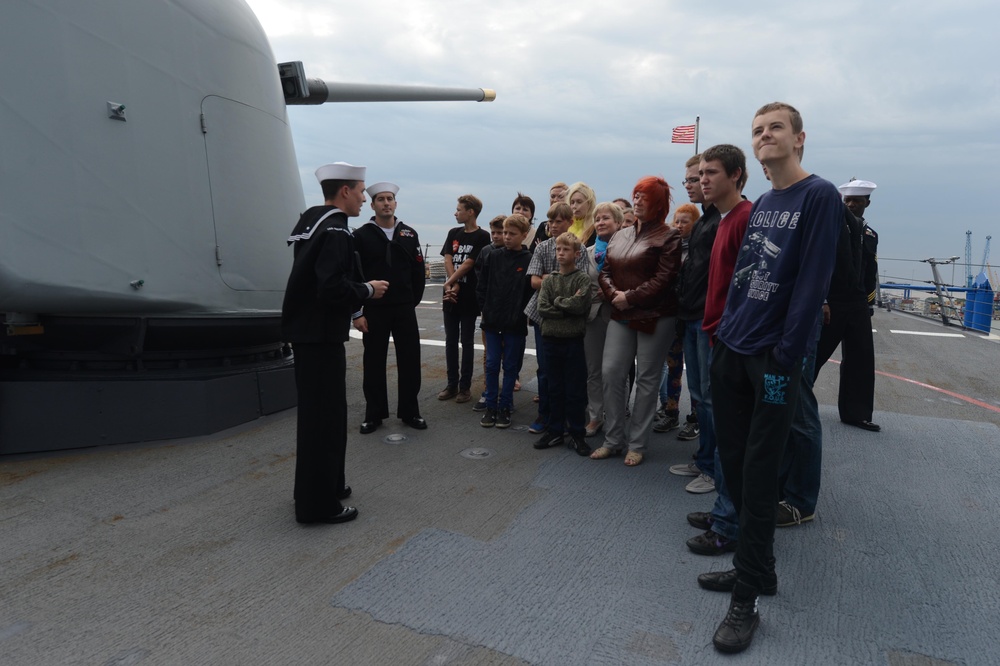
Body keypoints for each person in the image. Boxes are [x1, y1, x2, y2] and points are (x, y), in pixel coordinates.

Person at [703, 103, 841, 654]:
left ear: (799, 138)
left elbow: (812, 281)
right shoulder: (763, 205)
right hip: (732, 350)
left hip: (774, 363)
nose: (764, 137)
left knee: (760, 475)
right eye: (757, 130)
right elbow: (748, 272)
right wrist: (723, 336)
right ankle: (757, 569)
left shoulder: (819, 196)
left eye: (774, 128)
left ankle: (747, 598)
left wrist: (786, 355)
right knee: (732, 468)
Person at [282, 162, 389, 525]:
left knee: (319, 417)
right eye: (360, 191)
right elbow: (330, 287)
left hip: (308, 334)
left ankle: (324, 485)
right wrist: (367, 290)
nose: (364, 198)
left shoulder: (313, 223)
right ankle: (317, 505)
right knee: (325, 419)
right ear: (345, 191)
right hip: (322, 336)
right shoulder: (336, 231)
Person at [684, 145, 752, 551]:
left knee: (733, 436)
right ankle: (723, 509)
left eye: (712, 173)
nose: (703, 179)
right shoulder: (723, 219)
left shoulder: (743, 219)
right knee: (727, 434)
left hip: (728, 340)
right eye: (701, 172)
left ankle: (728, 524)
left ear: (737, 175)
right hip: (715, 333)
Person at [590, 176, 681, 467]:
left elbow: (664, 279)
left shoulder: (669, 236)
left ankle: (637, 443)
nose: (638, 200)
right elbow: (604, 269)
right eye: (636, 195)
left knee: (647, 379)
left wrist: (629, 297)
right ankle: (614, 439)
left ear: (658, 203)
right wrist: (615, 294)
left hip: (655, 315)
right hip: (621, 311)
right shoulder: (621, 234)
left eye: (645, 196)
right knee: (611, 372)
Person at [352, 181, 427, 435]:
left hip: (404, 308)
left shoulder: (409, 234)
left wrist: (411, 300)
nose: (386, 203)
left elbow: (418, 271)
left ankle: (410, 411)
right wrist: (358, 311)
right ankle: (374, 414)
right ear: (372, 205)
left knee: (410, 360)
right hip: (374, 309)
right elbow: (354, 275)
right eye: (381, 199)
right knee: (373, 362)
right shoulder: (360, 236)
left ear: (395, 204)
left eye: (390, 199)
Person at [814, 179, 881, 432]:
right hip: (833, 300)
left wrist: (869, 303)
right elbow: (820, 264)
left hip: (858, 304)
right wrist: (822, 299)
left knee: (860, 360)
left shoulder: (870, 235)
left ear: (867, 203)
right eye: (848, 201)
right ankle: (793, 405)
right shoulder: (832, 228)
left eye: (857, 201)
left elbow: (870, 271)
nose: (852, 205)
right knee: (814, 356)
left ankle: (857, 413)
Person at [525, 203, 589, 434]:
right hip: (544, 317)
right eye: (550, 221)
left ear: (570, 222)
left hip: (568, 321)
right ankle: (546, 414)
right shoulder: (543, 248)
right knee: (545, 370)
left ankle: (571, 420)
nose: (552, 226)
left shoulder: (577, 247)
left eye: (558, 221)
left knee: (571, 374)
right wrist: (564, 289)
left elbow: (580, 285)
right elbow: (533, 282)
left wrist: (550, 285)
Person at [535, 232, 593, 456]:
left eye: (566, 250)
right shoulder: (549, 280)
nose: (560, 253)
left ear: (577, 254)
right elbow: (542, 309)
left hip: (573, 342)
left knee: (575, 390)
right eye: (558, 249)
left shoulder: (582, 280)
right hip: (551, 341)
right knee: (554, 387)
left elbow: (580, 306)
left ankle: (577, 433)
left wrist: (557, 303)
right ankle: (555, 430)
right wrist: (566, 306)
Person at [476, 215, 534, 428]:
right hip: (492, 320)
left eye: (512, 234)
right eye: (504, 233)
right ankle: (491, 405)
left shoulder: (528, 259)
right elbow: (481, 285)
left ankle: (505, 406)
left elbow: (529, 292)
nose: (507, 237)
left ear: (524, 235)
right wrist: (486, 309)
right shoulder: (493, 256)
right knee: (491, 364)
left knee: (510, 366)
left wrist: (520, 314)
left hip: (514, 323)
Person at [653, 203, 700, 436]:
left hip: (691, 314)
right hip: (672, 315)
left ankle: (695, 418)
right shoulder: (669, 247)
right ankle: (671, 413)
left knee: (694, 370)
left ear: (695, 223)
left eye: (685, 221)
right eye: (677, 221)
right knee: (673, 367)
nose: (679, 225)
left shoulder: (699, 248)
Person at [439, 195, 491, 404]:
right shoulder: (454, 233)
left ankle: (465, 387)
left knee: (466, 341)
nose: (455, 212)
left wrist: (452, 282)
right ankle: (452, 384)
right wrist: (452, 283)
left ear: (470, 212)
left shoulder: (482, 236)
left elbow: (470, 263)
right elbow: (448, 257)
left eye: (459, 209)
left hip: (469, 297)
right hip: (451, 295)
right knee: (450, 341)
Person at [583, 202, 623, 437]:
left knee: (616, 371)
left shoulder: (628, 250)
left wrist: (610, 292)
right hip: (592, 316)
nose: (600, 222)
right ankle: (595, 416)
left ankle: (616, 416)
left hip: (617, 315)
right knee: (594, 370)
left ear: (618, 223)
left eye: (606, 218)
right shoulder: (586, 252)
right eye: (597, 219)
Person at [472, 215, 510, 412]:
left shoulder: (517, 254)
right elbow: (480, 282)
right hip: (490, 311)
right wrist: (484, 306)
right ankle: (488, 390)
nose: (495, 236)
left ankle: (507, 394)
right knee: (490, 354)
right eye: (493, 232)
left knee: (510, 355)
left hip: (510, 313)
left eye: (500, 232)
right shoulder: (486, 252)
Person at [566, 182, 598, 247]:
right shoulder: (565, 227)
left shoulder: (596, 228)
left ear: (589, 204)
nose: (574, 206)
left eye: (579, 202)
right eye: (572, 202)